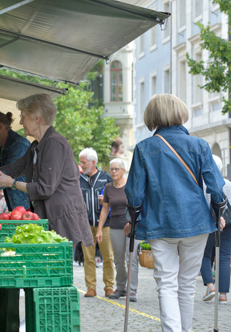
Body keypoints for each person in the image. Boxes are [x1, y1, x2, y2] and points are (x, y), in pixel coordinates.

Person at [0, 94, 92, 332]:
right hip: (49, 219)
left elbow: (45, 188)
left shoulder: (55, 143)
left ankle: (58, 325)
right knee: (47, 280)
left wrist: (11, 183)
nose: (20, 123)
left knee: (56, 282)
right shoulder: (37, 146)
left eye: (24, 117)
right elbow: (10, 169)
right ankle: (47, 324)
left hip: (63, 219)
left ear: (37, 118)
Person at [125, 94, 226, 332]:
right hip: (197, 221)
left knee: (167, 284)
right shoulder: (199, 145)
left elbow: (134, 194)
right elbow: (216, 187)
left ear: (152, 117)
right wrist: (218, 209)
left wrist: (134, 218)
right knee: (187, 284)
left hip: (161, 223)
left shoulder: (143, 148)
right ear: (180, 113)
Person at [96, 158, 139, 302]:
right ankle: (121, 288)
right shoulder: (108, 187)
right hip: (115, 226)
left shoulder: (131, 185)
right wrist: (100, 229)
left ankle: (131, 291)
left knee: (131, 259)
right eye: (111, 169)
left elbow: (138, 206)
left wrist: (132, 223)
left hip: (132, 226)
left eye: (116, 169)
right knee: (119, 260)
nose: (113, 171)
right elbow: (105, 209)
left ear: (123, 170)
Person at [79, 147, 114, 298]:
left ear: (93, 162)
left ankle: (109, 286)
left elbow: (117, 197)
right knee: (88, 258)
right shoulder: (78, 180)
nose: (82, 165)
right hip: (85, 225)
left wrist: (108, 200)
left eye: (84, 162)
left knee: (108, 257)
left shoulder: (106, 178)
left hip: (105, 225)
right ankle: (91, 287)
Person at [200, 154, 231, 303]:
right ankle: (223, 295)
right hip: (229, 224)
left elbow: (205, 205)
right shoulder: (228, 183)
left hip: (211, 222)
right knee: (224, 257)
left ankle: (210, 285)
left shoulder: (204, 185)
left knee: (204, 254)